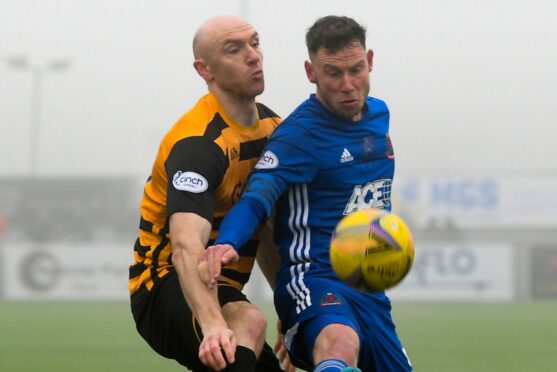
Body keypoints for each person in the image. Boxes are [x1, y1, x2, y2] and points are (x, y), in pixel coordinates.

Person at [202, 15, 413, 372]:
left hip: (367, 288)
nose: (348, 85)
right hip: (312, 278)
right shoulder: (298, 136)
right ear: (311, 72)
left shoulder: (379, 115)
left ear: (370, 61)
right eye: (333, 73)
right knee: (340, 344)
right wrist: (229, 242)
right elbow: (256, 199)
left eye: (356, 69)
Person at [128, 15, 285, 372]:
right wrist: (213, 323)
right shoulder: (198, 145)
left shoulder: (274, 130)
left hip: (222, 292)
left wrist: (289, 309)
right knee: (248, 322)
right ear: (205, 70)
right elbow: (186, 247)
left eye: (255, 43)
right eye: (234, 49)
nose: (253, 56)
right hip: (165, 284)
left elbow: (266, 231)